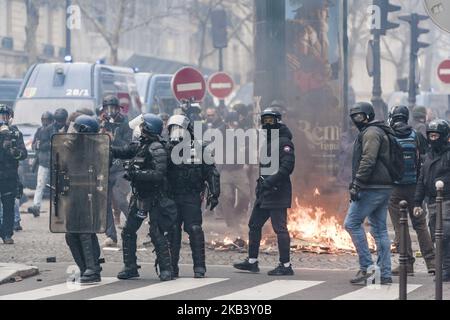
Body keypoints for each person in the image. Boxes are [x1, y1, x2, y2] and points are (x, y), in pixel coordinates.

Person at [112, 114, 177, 282]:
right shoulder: (142, 144)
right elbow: (124, 151)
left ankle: (166, 270)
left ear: (148, 129)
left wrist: (135, 174)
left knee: (156, 232)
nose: (139, 129)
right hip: (140, 196)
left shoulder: (156, 148)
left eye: (142, 126)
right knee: (128, 231)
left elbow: (158, 174)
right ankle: (130, 267)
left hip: (155, 197)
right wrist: (108, 148)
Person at [233, 108, 296, 276]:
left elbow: (287, 167)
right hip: (265, 192)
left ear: (278, 121)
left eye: (271, 120)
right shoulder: (268, 142)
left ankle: (286, 265)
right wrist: (261, 185)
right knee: (254, 224)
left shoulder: (284, 142)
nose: (267, 124)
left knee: (280, 229)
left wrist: (270, 182)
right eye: (264, 120)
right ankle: (252, 262)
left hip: (278, 191)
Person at [344, 102, 394, 285]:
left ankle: (367, 267)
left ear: (369, 115)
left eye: (360, 116)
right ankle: (384, 273)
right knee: (380, 229)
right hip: (382, 185)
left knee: (351, 223)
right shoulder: (376, 130)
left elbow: (368, 159)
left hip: (372, 186)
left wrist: (357, 183)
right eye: (354, 117)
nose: (357, 120)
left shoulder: (372, 133)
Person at [166, 114, 220, 278]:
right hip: (173, 196)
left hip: (192, 196)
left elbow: (212, 173)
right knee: (173, 231)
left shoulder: (201, 148)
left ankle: (199, 267)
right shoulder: (166, 148)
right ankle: (171, 267)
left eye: (179, 129)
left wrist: (214, 193)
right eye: (173, 129)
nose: (176, 133)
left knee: (195, 229)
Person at [387, 106, 435, 276]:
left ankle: (406, 264)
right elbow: (427, 158)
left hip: (395, 189)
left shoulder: (388, 135)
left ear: (392, 117)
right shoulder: (416, 136)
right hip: (415, 187)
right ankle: (432, 262)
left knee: (401, 226)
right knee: (420, 225)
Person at [64, 115, 104, 284]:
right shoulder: (71, 146)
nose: (71, 132)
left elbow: (100, 169)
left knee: (85, 231)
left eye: (76, 129)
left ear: (83, 132)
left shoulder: (95, 148)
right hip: (73, 193)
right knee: (71, 234)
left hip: (88, 194)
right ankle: (83, 267)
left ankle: (93, 269)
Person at [414, 119, 450, 282]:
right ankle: (444, 266)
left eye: (436, 135)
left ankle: (446, 268)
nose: (433, 138)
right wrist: (417, 202)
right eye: (431, 135)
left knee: (445, 234)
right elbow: (422, 179)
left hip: (447, 200)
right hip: (432, 201)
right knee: (436, 235)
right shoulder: (428, 155)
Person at [98, 95, 132, 246]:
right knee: (103, 204)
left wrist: (113, 139)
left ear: (119, 109)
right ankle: (111, 235)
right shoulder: (101, 122)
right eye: (107, 108)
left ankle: (132, 226)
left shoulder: (125, 122)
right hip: (104, 167)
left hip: (120, 167)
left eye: (113, 108)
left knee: (119, 199)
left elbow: (128, 145)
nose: (110, 111)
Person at [0, 105, 27, 244]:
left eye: (5, 115)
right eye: (0, 115)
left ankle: (7, 234)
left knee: (9, 206)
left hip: (9, 176)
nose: (2, 119)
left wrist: (14, 151)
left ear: (10, 117)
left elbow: (23, 154)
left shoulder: (16, 133)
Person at [220, 111, 251, 234]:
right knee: (227, 196)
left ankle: (236, 215)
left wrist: (247, 162)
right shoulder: (219, 133)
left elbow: (248, 148)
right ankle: (231, 224)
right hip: (224, 170)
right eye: (233, 123)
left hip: (239, 169)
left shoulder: (242, 132)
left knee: (246, 195)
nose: (235, 125)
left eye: (236, 123)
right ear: (227, 122)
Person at [28, 112, 54, 217]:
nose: (45, 122)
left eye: (47, 120)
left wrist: (43, 145)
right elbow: (34, 144)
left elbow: (53, 142)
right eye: (43, 120)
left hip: (55, 162)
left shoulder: (53, 129)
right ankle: (36, 206)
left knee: (57, 187)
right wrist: (36, 145)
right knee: (40, 185)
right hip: (43, 161)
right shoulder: (39, 130)